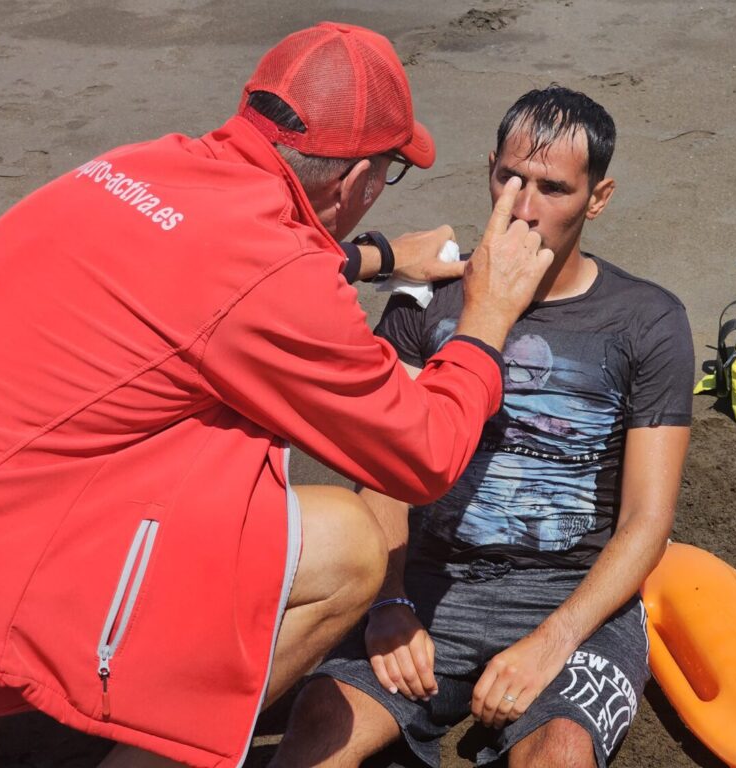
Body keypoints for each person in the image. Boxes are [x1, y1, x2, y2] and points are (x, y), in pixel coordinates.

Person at [0, 23, 554, 768]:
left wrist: (370, 256)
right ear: (357, 182)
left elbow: (206, 275)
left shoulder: (138, 165)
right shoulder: (276, 277)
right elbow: (426, 454)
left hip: (3, 495)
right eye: (388, 172)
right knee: (348, 546)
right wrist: (487, 319)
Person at [272, 86, 693, 768]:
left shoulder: (648, 321)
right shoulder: (428, 300)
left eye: (553, 188)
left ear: (599, 197)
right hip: (431, 583)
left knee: (559, 753)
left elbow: (647, 520)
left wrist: (554, 640)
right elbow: (384, 470)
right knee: (319, 728)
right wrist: (391, 600)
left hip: (573, 598)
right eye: (509, 179)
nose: (523, 207)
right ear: (488, 168)